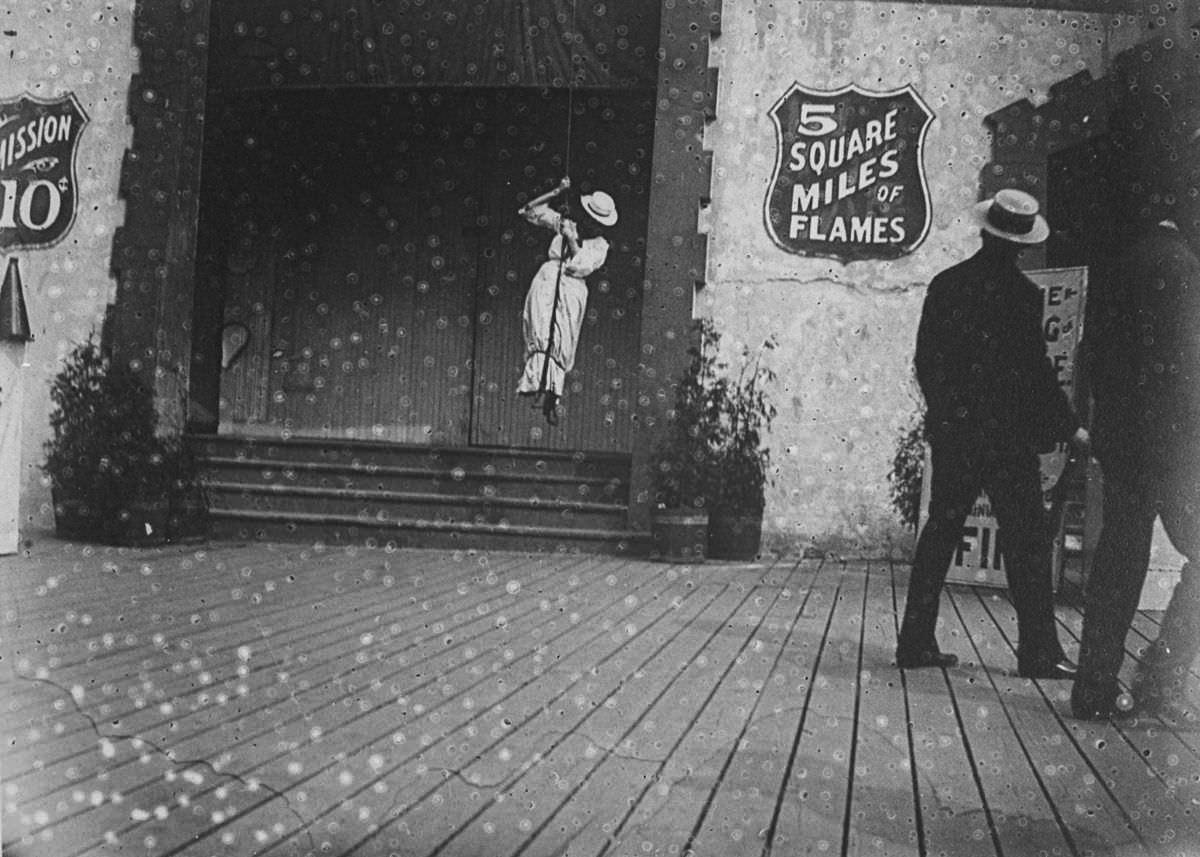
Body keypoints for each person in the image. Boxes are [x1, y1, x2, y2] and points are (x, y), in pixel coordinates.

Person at [898, 188, 1089, 677]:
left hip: (958, 437)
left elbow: (927, 362)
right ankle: (1039, 652)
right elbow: (1034, 373)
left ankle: (914, 642)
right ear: (1023, 244)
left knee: (939, 533)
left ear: (985, 232)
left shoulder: (948, 284)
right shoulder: (1024, 296)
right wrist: (1069, 427)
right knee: (1026, 546)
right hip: (1007, 441)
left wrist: (947, 416)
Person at [1070, 205, 1200, 722]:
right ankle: (1162, 680)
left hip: (1123, 441)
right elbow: (1189, 367)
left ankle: (1094, 687)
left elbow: (1090, 356)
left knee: (1119, 559)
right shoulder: (1182, 268)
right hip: (1174, 445)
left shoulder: (1117, 268)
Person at [516, 176, 618, 425]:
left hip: (571, 287)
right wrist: (556, 191)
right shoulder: (565, 222)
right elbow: (529, 211)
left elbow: (582, 265)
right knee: (540, 327)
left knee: (562, 336)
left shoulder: (600, 245)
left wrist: (572, 238)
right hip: (549, 278)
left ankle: (552, 391)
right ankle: (535, 381)